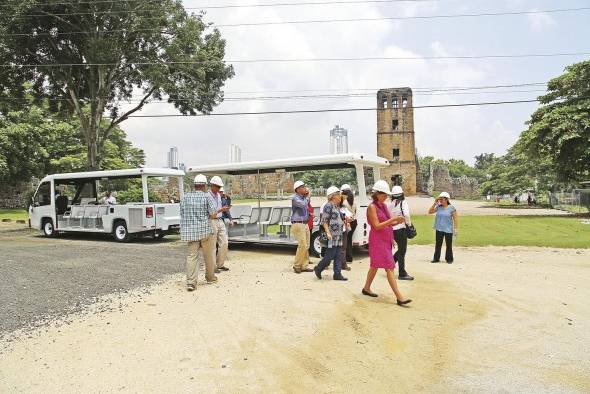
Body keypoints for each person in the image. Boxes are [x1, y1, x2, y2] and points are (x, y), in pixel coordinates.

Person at [361, 180, 411, 306]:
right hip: (377, 241)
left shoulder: (383, 206)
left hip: (385, 240)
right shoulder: (372, 207)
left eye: (387, 195)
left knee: (375, 266)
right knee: (389, 266)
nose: (386, 197)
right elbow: (377, 226)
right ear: (377, 193)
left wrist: (397, 223)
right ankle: (399, 297)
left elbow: (388, 223)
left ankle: (366, 288)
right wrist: (393, 220)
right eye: (384, 194)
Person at [180, 174, 218, 291]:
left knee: (192, 257)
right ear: (205, 186)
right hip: (205, 231)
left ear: (195, 185)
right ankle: (210, 277)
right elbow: (213, 214)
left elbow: (182, 213)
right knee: (209, 255)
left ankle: (191, 282)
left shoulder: (185, 197)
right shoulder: (207, 197)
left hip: (190, 232)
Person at [313, 186, 348, 281]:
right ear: (333, 196)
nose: (340, 196)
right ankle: (318, 268)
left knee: (338, 255)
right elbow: (324, 220)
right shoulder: (328, 205)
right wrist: (328, 233)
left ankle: (337, 274)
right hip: (332, 235)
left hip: (339, 234)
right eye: (338, 194)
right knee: (330, 255)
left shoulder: (336, 206)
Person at [204, 176, 231, 272]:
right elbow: (209, 212)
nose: (219, 189)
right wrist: (221, 209)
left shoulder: (219, 195)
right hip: (212, 220)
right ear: (212, 185)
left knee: (224, 243)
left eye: (220, 187)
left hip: (220, 220)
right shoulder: (207, 196)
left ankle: (220, 264)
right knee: (212, 245)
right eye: (218, 187)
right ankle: (213, 267)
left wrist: (225, 209)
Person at [389, 185, 414, 280]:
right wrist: (409, 224)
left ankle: (390, 263)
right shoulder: (403, 202)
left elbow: (389, 216)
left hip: (393, 229)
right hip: (401, 229)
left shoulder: (391, 204)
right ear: (402, 194)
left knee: (400, 250)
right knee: (402, 251)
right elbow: (406, 215)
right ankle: (402, 273)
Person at [428, 191, 458, 264]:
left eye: (441, 199)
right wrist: (435, 203)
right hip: (439, 229)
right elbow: (430, 212)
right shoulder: (438, 207)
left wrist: (456, 229)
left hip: (448, 230)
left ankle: (449, 259)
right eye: (439, 199)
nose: (440, 200)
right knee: (438, 244)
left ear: (446, 199)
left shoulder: (452, 208)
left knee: (449, 245)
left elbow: (455, 219)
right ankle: (436, 258)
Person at [291, 180, 314, 274]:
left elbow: (307, 205)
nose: (305, 188)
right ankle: (297, 265)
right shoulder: (295, 198)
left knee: (307, 245)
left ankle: (304, 266)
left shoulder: (304, 198)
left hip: (304, 223)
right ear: (298, 189)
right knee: (302, 245)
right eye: (303, 187)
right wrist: (308, 196)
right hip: (298, 223)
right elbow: (303, 204)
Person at [340, 184, 357, 264]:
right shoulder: (353, 201)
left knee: (347, 241)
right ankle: (349, 257)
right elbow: (355, 212)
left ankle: (348, 258)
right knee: (349, 240)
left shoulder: (344, 202)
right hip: (354, 222)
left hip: (348, 222)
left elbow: (344, 214)